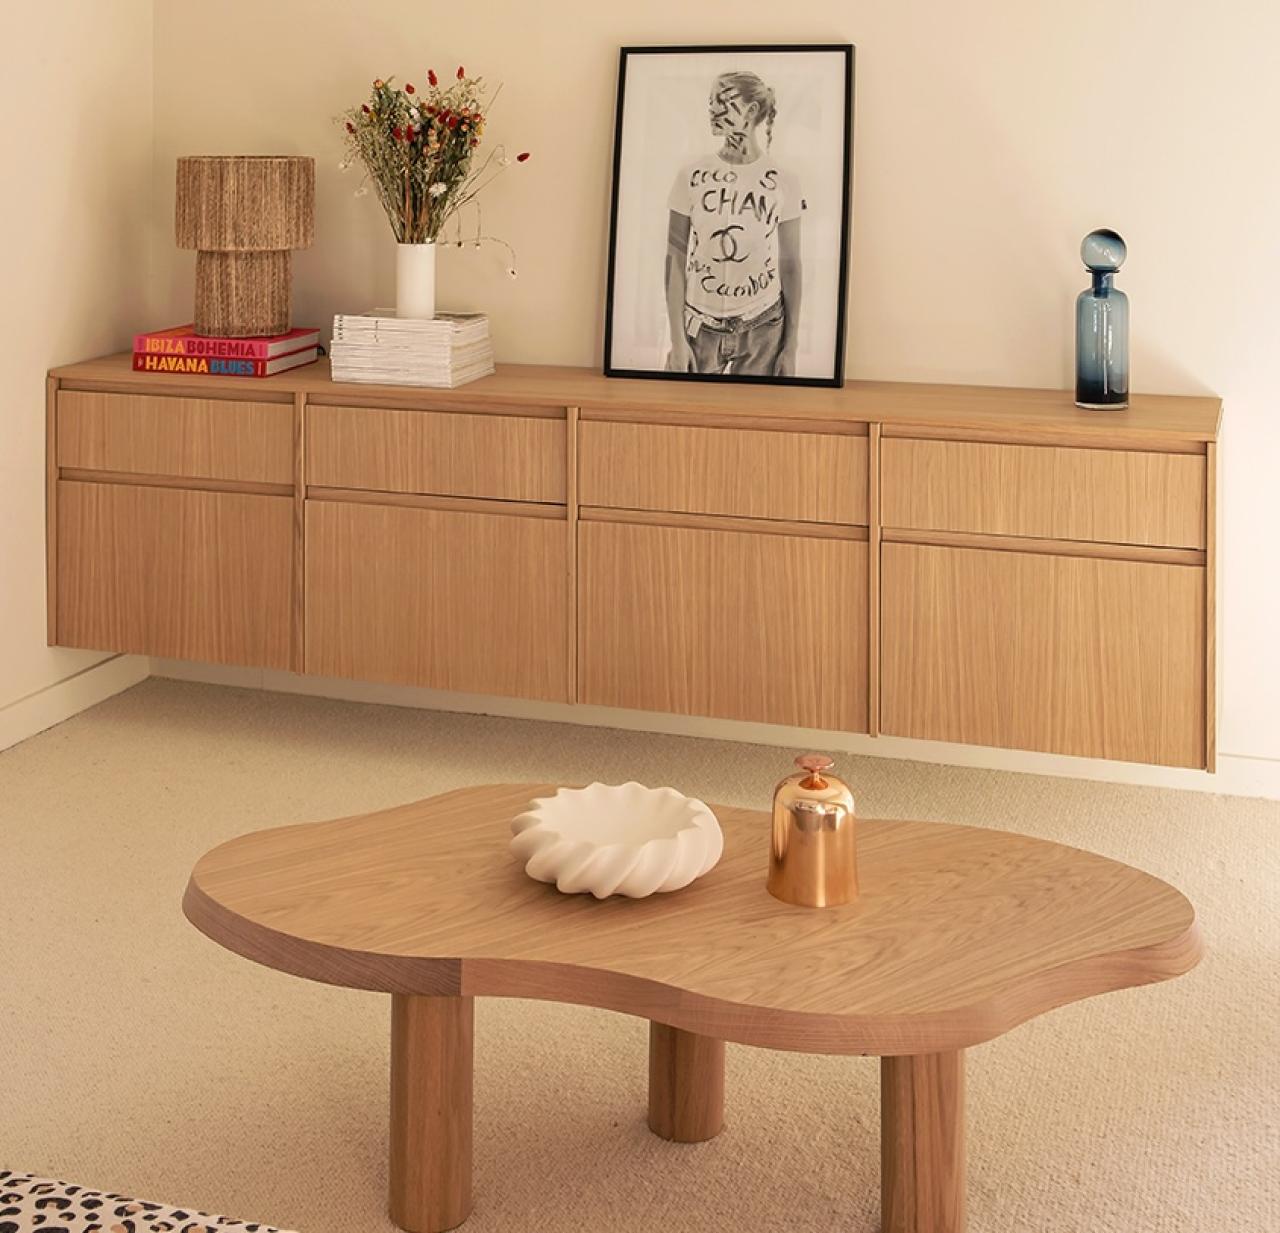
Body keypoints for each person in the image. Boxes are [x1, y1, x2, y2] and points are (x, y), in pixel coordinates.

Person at [665, 70, 804, 377]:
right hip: (699, 329)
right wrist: (677, 341)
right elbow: (675, 257)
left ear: (751, 111)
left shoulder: (784, 181)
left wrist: (790, 347)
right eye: (710, 102)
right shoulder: (691, 176)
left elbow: (791, 265)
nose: (712, 110)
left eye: (723, 101)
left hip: (763, 328)